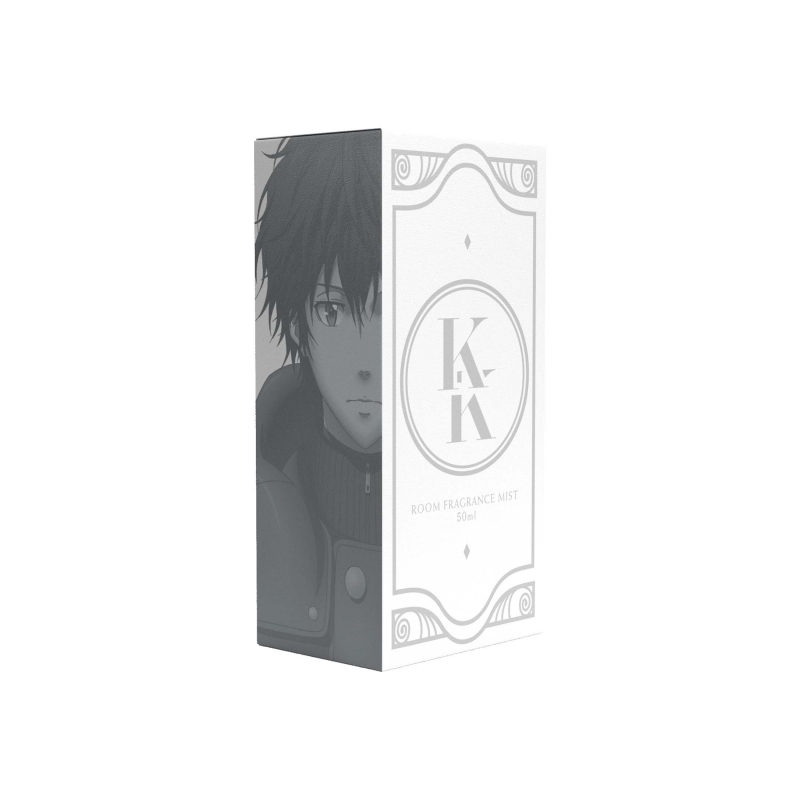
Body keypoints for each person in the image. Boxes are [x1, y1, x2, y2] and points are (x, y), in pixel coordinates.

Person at [254, 131, 382, 668]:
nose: (365, 360)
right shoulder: (257, 504)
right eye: (332, 311)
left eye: (389, 309)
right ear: (297, 320)